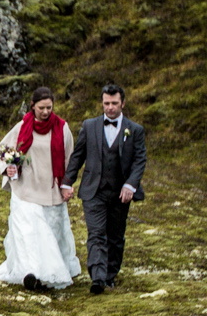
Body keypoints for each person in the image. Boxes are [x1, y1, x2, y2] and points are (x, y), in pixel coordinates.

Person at [61, 82, 147, 295]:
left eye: (114, 103)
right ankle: (98, 278)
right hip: (94, 191)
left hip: (121, 193)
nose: (110, 107)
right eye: (106, 103)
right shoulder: (89, 126)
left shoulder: (135, 130)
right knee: (97, 233)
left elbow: (139, 160)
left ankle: (110, 275)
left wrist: (130, 185)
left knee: (116, 235)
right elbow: (78, 156)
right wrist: (67, 181)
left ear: (122, 103)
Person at [0, 87, 82, 291]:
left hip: (52, 190)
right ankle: (30, 273)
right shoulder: (23, 126)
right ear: (33, 106)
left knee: (52, 232)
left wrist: (67, 184)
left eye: (49, 107)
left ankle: (50, 272)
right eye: (41, 108)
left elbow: (70, 158)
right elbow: (5, 148)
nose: (45, 111)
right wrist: (11, 166)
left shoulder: (62, 128)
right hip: (26, 189)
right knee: (29, 232)